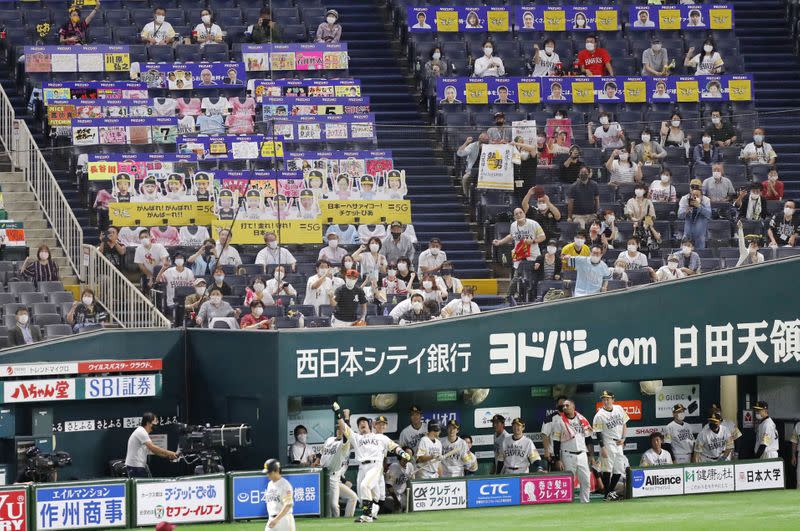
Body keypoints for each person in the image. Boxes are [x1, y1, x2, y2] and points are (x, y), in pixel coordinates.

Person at [332, 404, 411, 524]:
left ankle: (367, 516)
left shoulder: (379, 437)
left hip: (375, 465)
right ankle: (372, 512)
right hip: (362, 467)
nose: (362, 424)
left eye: (364, 422)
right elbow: (344, 428)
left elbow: (393, 446)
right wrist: (338, 413)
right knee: (364, 494)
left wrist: (402, 453)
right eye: (360, 423)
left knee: (365, 486)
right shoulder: (356, 437)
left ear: (369, 425)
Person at [551, 400, 593, 503]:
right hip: (568, 454)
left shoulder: (582, 419)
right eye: (563, 406)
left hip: (582, 454)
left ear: (573, 407)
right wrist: (558, 459)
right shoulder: (559, 421)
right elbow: (556, 442)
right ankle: (568, 503)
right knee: (568, 482)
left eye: (567, 405)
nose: (564, 407)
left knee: (586, 481)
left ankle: (585, 503)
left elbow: (588, 439)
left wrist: (591, 456)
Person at [592, 390, 629, 501]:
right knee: (607, 470)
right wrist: (602, 447)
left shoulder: (619, 408)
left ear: (613, 399)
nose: (606, 401)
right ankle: (607, 495)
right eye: (604, 399)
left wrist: (623, 438)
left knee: (618, 470)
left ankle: (609, 492)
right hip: (607, 443)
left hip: (618, 443)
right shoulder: (599, 415)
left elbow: (624, 424)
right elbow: (598, 432)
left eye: (608, 398)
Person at [321, 424, 357, 518]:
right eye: (338, 429)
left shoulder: (345, 448)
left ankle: (345, 521)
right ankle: (333, 523)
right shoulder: (330, 440)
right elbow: (321, 453)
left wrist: (344, 481)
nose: (339, 430)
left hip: (335, 477)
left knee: (351, 498)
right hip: (325, 475)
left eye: (341, 429)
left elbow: (346, 437)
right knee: (331, 505)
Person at [124, 413, 177, 478]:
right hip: (135, 467)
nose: (156, 424)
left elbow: (154, 451)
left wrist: (168, 456)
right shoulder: (141, 432)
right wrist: (171, 453)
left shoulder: (143, 432)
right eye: (155, 421)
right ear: (148, 423)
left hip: (137, 466)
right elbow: (153, 448)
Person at [678, 180, 712, 249]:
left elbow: (708, 214)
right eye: (692, 187)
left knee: (700, 255)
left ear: (701, 189)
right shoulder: (684, 199)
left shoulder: (706, 200)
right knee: (684, 253)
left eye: (697, 188)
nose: (695, 189)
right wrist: (686, 210)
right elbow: (679, 215)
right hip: (688, 233)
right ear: (690, 188)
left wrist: (700, 206)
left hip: (700, 234)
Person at [263, 459, 295, 531]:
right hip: (271, 519)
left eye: (269, 472)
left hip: (284, 520)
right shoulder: (270, 484)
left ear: (277, 471)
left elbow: (288, 504)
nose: (267, 475)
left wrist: (276, 519)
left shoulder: (285, 485)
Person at [384, 446, 414, 511]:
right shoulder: (394, 466)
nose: (409, 456)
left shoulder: (410, 466)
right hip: (391, 496)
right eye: (407, 453)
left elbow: (411, 481)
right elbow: (389, 485)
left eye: (411, 454)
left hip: (402, 495)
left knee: (408, 506)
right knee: (396, 507)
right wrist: (396, 500)